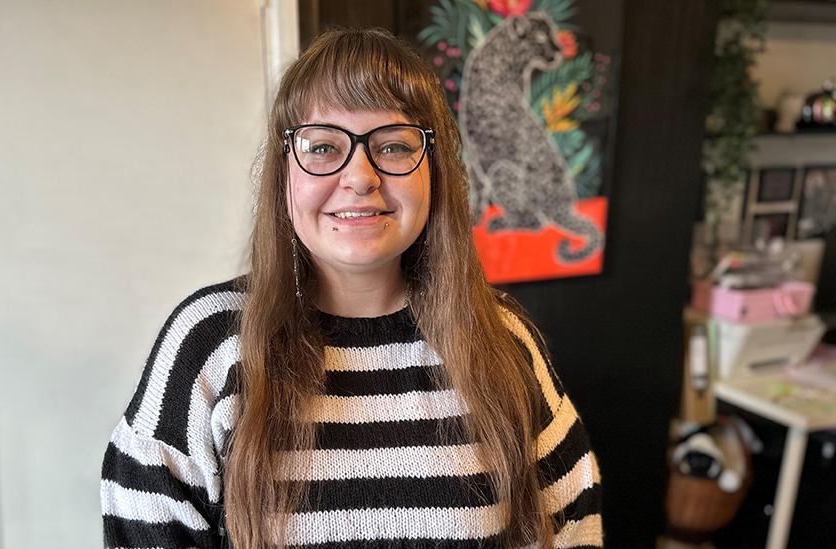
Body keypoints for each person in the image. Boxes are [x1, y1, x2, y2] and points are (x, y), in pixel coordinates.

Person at [100, 28, 602, 549]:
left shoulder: (504, 341)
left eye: (393, 145)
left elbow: (573, 527)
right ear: (283, 172)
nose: (360, 176)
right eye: (323, 146)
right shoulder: (209, 344)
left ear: (433, 171)